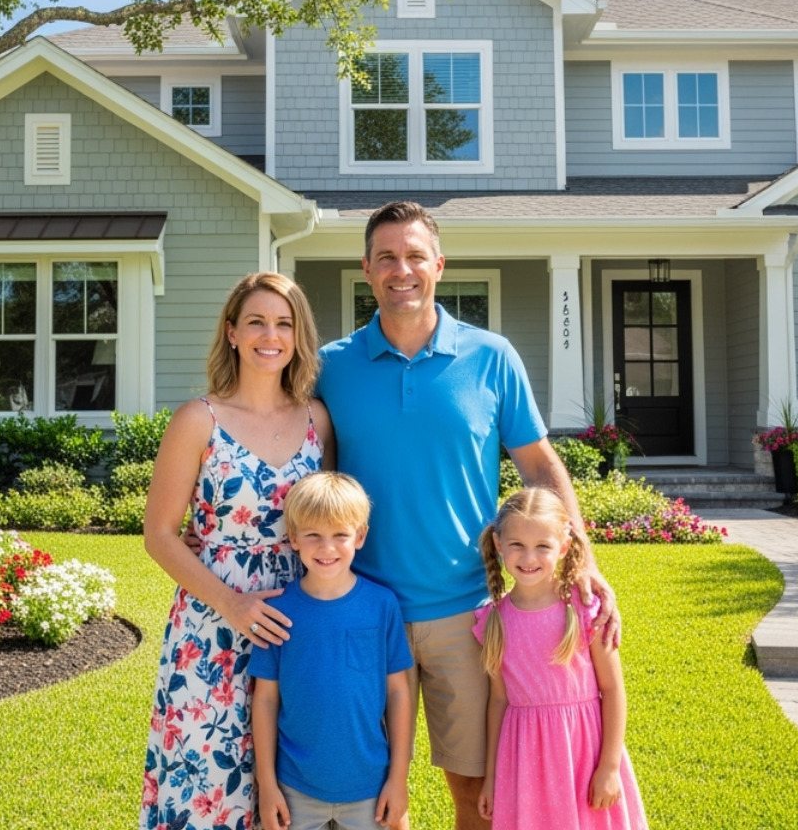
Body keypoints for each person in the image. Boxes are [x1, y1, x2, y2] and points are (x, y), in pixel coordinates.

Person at [316, 200, 620, 830]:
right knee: (369, 797)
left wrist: (583, 558)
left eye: (415, 256)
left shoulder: (491, 356)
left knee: (479, 797)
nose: (403, 269)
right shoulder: (331, 365)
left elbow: (539, 465)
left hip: (470, 618)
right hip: (365, 612)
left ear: (439, 265)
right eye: (388, 257)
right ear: (367, 268)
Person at [141, 271, 335, 830]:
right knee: (210, 788)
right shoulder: (197, 420)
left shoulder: (317, 420)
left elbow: (332, 517)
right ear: (231, 332)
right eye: (256, 321)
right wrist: (232, 604)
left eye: (284, 323)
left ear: (298, 337)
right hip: (212, 632)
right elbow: (158, 534)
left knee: (296, 791)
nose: (269, 335)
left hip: (296, 624)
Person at [249, 471, 414, 830]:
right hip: (295, 789)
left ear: (360, 536)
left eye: (340, 535)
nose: (327, 548)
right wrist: (267, 785)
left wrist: (398, 778)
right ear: (293, 537)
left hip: (371, 788)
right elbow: (264, 700)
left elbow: (399, 692)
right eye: (313, 536)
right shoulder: (278, 612)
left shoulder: (381, 605)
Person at [475, 489, 646, 830]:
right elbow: (498, 701)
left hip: (583, 754)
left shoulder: (585, 610)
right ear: (498, 544)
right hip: (524, 761)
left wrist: (609, 767)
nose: (529, 557)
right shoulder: (492, 620)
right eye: (517, 545)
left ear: (564, 546)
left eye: (543, 546)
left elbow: (612, 690)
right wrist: (492, 778)